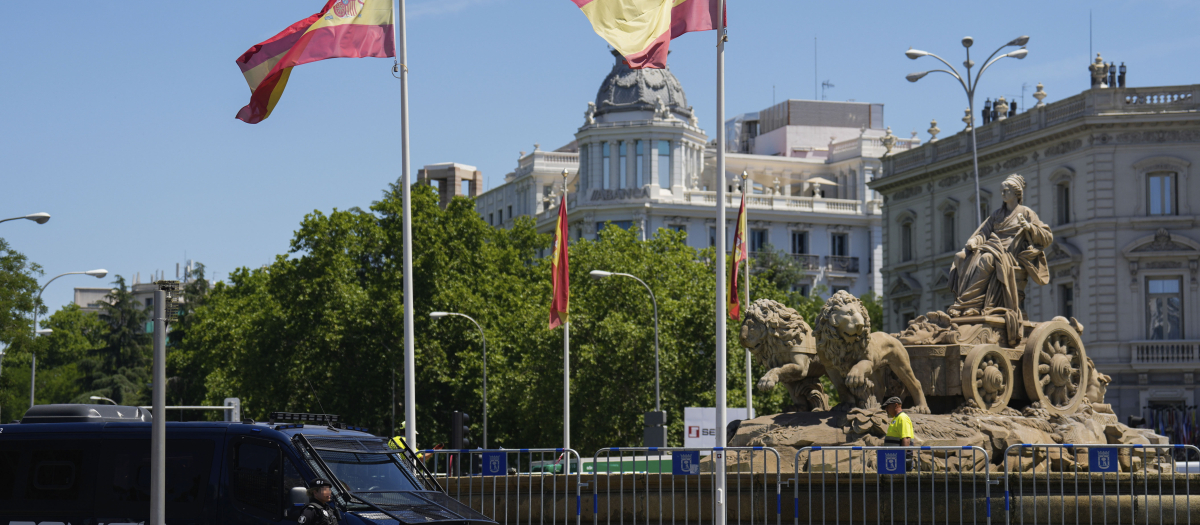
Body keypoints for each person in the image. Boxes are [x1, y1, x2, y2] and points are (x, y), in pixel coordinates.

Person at [948, 173, 1053, 345]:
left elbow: (1047, 236)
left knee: (987, 259)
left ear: (1016, 193)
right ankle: (968, 304)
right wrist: (974, 241)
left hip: (1011, 256)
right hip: (993, 247)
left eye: (1007, 190)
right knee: (960, 257)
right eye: (1002, 190)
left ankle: (968, 304)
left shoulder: (1026, 213)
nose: (1003, 193)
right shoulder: (997, 215)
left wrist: (1030, 228)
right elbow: (983, 232)